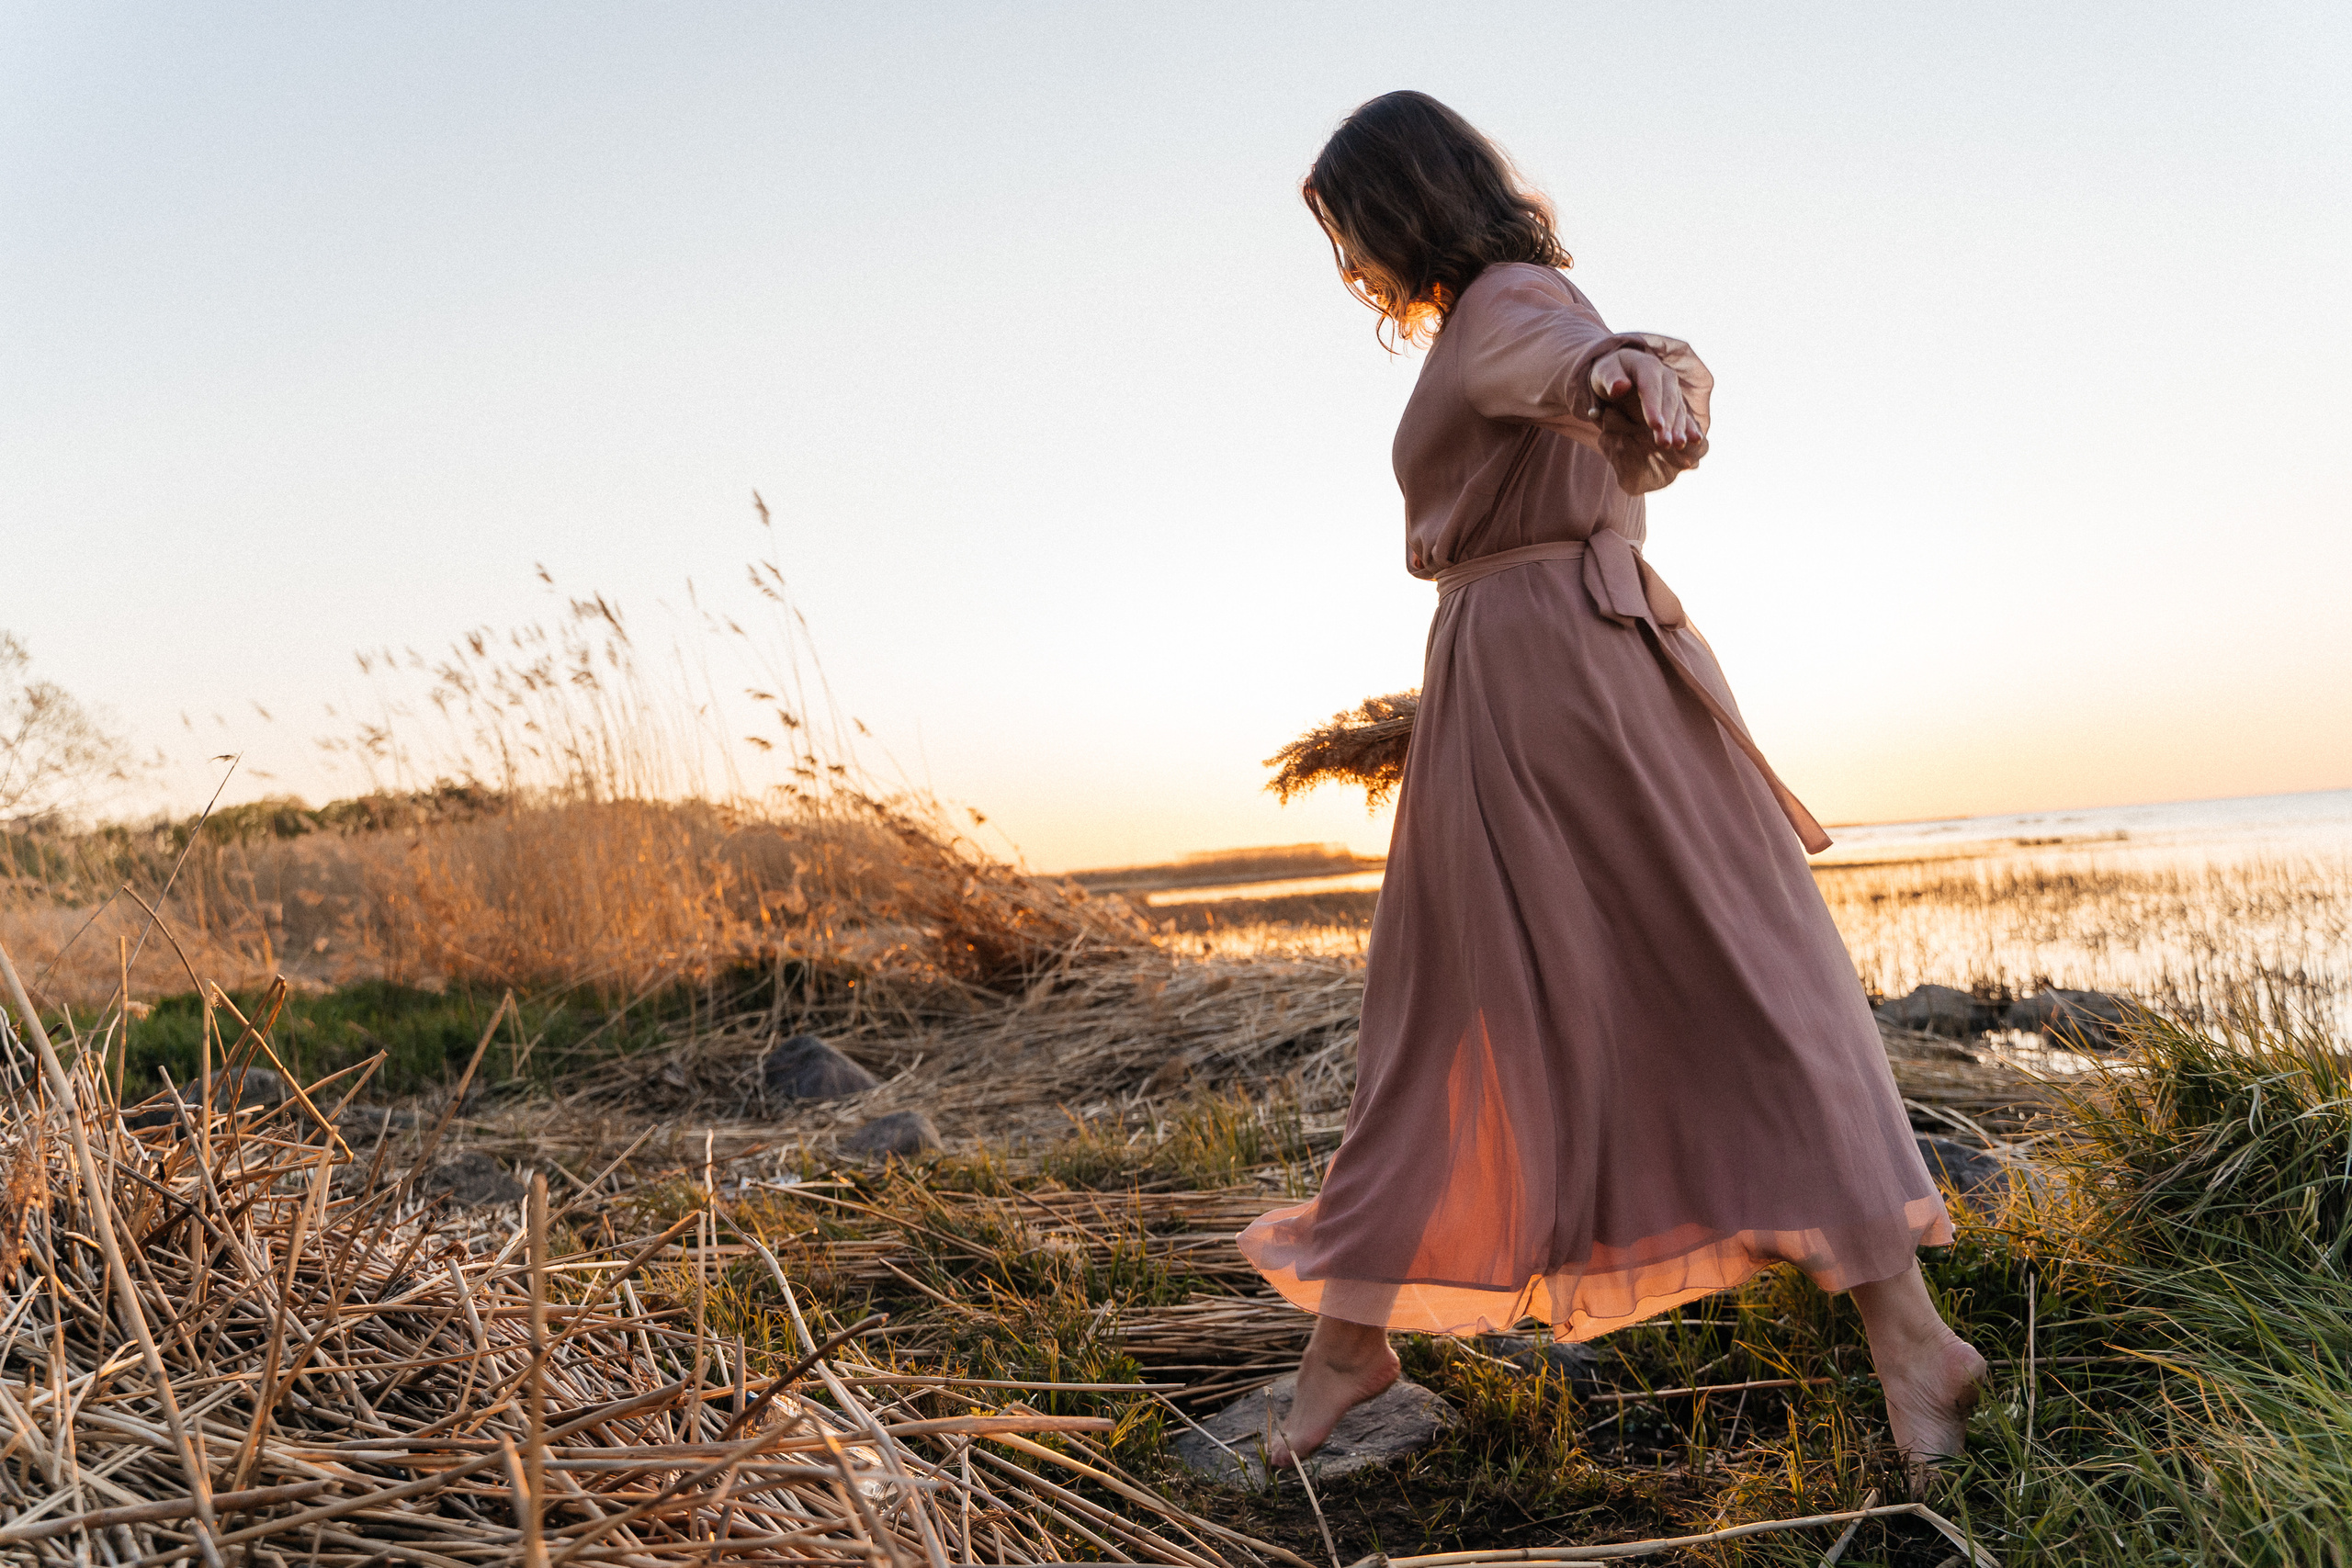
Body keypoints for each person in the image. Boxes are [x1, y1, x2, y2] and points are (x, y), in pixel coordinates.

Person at [1237, 91, 1987, 1486]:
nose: (1351, 264)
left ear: (1395, 206)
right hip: (1528, 678)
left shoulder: (1513, 303)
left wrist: (1625, 378)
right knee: (1473, 1003)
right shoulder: (1492, 312)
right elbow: (1574, 373)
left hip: (1570, 687)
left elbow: (1587, 361)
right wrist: (1613, 378)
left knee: (1726, 987)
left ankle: (1910, 1338)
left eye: (1348, 229)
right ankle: (1354, 1342)